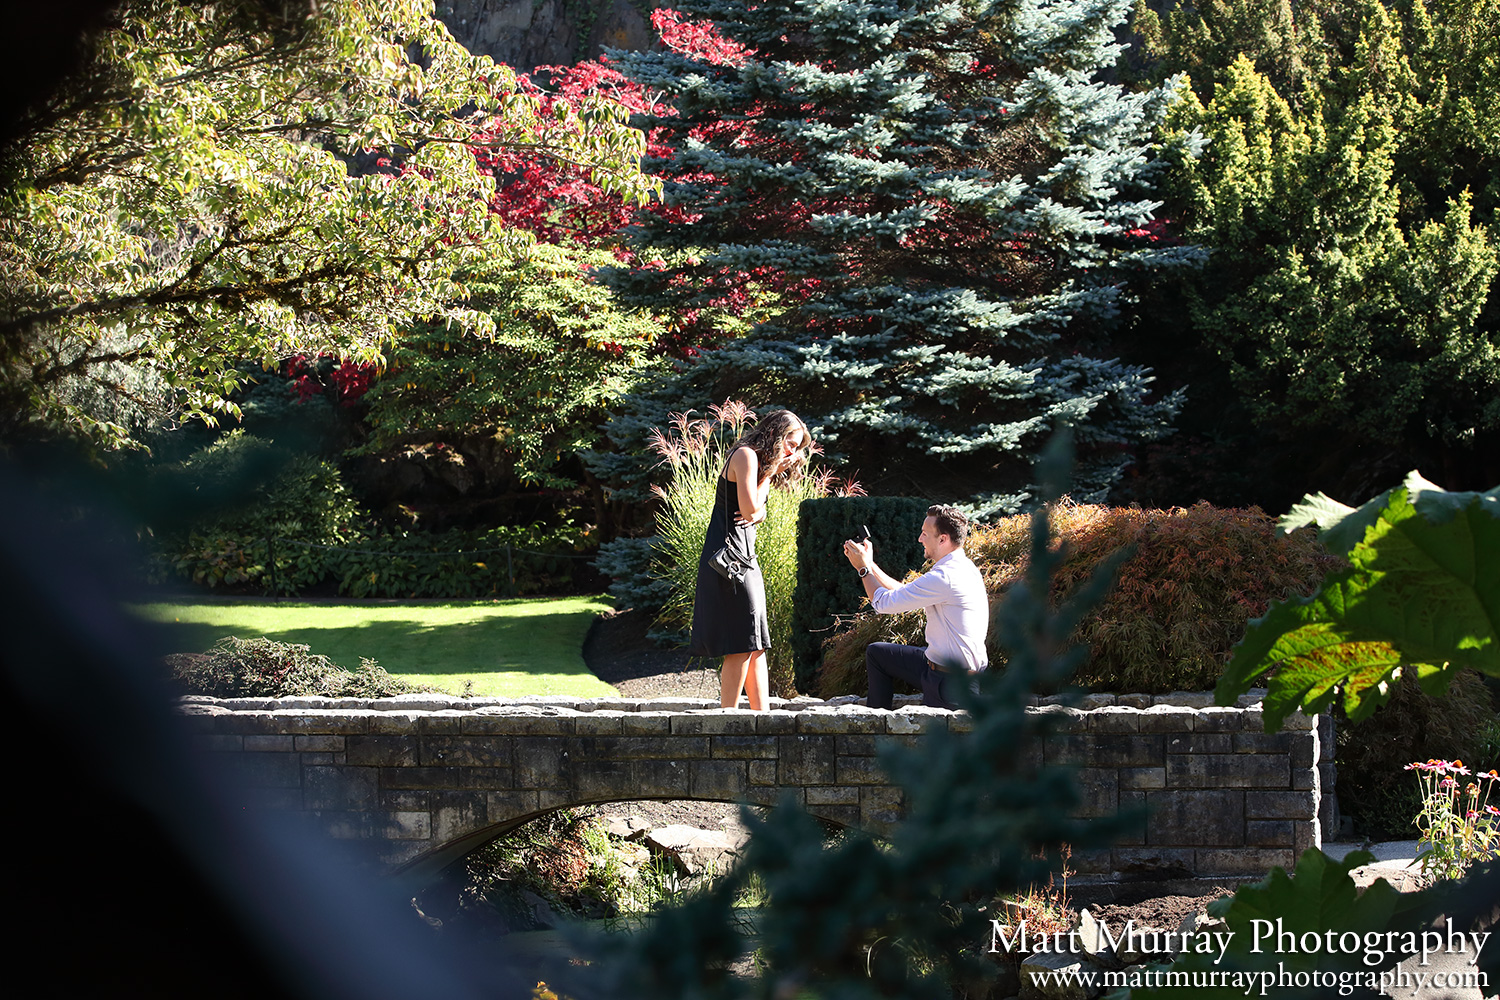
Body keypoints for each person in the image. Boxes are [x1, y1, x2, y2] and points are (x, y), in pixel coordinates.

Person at [689, 409, 812, 710]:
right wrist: (770, 475)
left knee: (756, 643)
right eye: (791, 443)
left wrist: (761, 504)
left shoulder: (757, 462)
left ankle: (763, 718)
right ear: (775, 434)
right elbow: (751, 512)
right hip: (729, 562)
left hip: (744, 558)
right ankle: (726, 719)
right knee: (742, 644)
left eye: (796, 448)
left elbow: (757, 511)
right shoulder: (746, 456)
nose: (792, 452)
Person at [842, 505, 988, 710]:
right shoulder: (962, 568)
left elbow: (883, 603)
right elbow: (903, 592)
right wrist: (870, 563)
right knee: (877, 654)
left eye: (925, 534)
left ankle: (880, 734)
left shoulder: (945, 577)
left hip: (951, 685)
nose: (920, 539)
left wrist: (863, 569)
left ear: (943, 539)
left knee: (935, 741)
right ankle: (876, 724)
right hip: (938, 668)